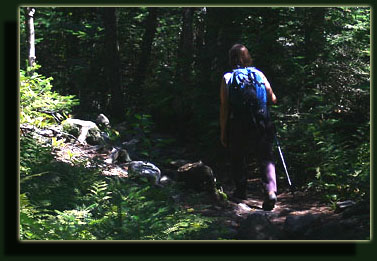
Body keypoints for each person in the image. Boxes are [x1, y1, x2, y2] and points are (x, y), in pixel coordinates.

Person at [219, 44, 278, 210]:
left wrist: (223, 131)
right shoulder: (259, 74)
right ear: (247, 58)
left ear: (231, 59)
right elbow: (273, 98)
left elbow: (224, 107)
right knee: (265, 157)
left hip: (238, 122)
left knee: (237, 156)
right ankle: (270, 191)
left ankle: (240, 191)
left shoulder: (228, 78)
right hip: (261, 120)